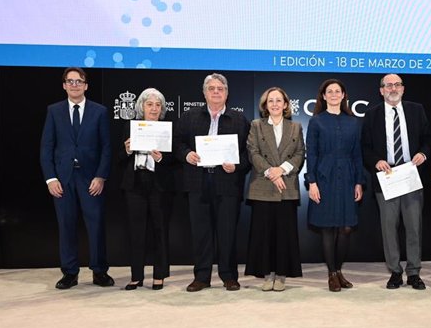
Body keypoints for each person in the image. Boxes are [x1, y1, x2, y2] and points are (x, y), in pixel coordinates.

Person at [174, 73, 250, 292]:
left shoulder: (238, 119)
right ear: (204, 92)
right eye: (212, 88)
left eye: (220, 88)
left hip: (227, 184)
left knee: (227, 232)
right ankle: (202, 276)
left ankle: (229, 276)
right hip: (197, 182)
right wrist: (187, 154)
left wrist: (237, 165)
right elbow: (177, 143)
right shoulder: (189, 117)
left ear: (227, 93)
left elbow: (248, 153)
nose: (216, 92)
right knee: (200, 232)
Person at [40, 67, 114, 289]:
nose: (74, 85)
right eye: (70, 81)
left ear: (86, 85)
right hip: (63, 179)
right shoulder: (54, 111)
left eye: (79, 81)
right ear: (64, 85)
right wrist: (50, 179)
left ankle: (99, 271)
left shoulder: (99, 111)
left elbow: (106, 148)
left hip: (91, 178)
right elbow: (46, 148)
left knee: (96, 226)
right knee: (66, 225)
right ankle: (70, 273)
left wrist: (101, 176)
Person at [361, 74, 431, 290]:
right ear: (381, 90)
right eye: (388, 85)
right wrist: (377, 161)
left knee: (414, 227)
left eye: (397, 84)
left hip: (410, 175)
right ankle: (395, 272)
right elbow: (365, 147)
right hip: (387, 177)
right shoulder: (372, 114)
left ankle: (414, 272)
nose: (393, 88)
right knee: (389, 228)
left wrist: (423, 153)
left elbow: (428, 139)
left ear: (403, 88)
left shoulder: (416, 110)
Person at [306, 79, 365, 292]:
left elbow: (358, 154)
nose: (333, 94)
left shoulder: (353, 122)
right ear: (323, 96)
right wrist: (311, 182)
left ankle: (339, 270)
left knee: (346, 228)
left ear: (343, 95)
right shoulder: (316, 122)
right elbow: (311, 153)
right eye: (329, 91)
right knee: (328, 228)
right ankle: (331, 273)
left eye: (337, 91)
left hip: (348, 176)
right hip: (324, 177)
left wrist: (359, 181)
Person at [245, 87, 305, 292]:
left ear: (286, 104)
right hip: (263, 186)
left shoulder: (295, 127)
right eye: (271, 101)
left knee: (284, 235)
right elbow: (252, 152)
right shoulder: (256, 126)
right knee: (264, 235)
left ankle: (281, 275)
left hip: (286, 187)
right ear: (265, 105)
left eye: (279, 100)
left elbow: (299, 154)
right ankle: (267, 274)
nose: (275, 104)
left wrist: (282, 170)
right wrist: (271, 172)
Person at [120, 88, 175, 291]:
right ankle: (136, 276)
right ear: (141, 106)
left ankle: (159, 275)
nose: (154, 108)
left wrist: (160, 157)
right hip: (134, 183)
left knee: (160, 230)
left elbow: (174, 158)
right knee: (136, 231)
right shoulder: (130, 127)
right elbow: (117, 157)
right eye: (149, 104)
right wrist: (126, 150)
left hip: (159, 185)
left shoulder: (167, 128)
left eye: (157, 105)